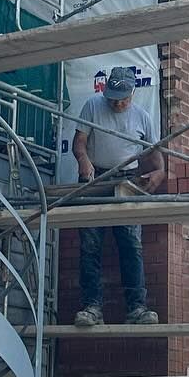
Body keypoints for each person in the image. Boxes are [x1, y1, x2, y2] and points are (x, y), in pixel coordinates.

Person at [70, 65, 165, 326]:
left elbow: (154, 152)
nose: (117, 103)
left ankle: (137, 308)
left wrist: (160, 172)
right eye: (113, 98)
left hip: (126, 181)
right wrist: (83, 160)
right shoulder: (92, 105)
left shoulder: (142, 116)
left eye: (122, 99)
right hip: (93, 179)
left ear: (132, 94)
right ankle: (92, 308)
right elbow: (79, 143)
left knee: (131, 245)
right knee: (90, 245)